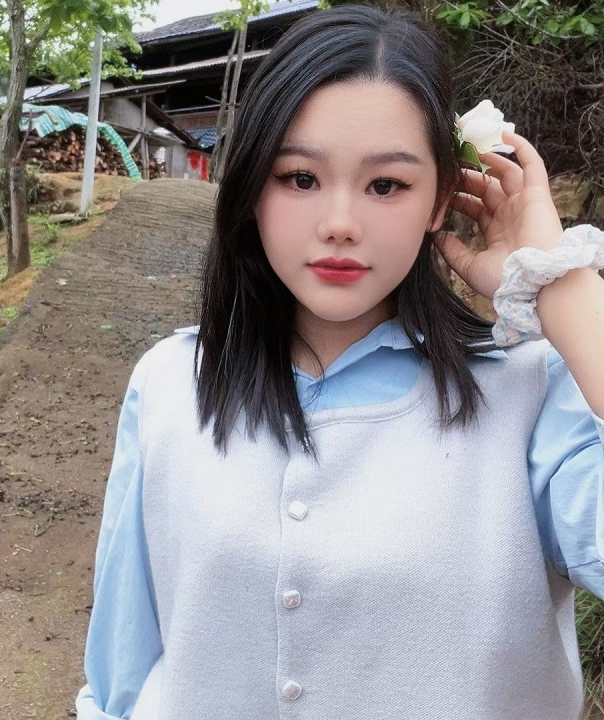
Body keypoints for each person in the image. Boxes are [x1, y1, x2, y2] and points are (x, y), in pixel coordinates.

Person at [75, 5, 604, 719]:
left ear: (439, 201)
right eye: (299, 178)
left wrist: (558, 282)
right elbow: (122, 670)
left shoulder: (535, 395)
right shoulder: (172, 383)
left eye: (387, 185)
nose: (340, 224)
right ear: (252, 188)